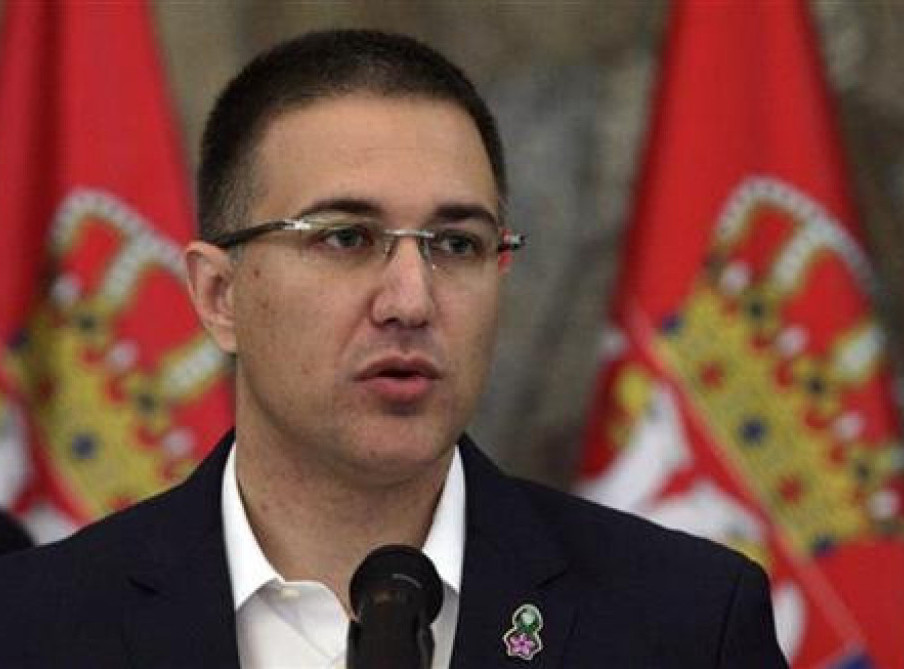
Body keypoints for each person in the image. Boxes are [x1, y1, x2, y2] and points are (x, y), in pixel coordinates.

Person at [0, 30, 787, 667]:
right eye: (346, 237)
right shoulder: (33, 626)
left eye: (456, 243)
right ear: (219, 295)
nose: (411, 301)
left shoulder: (685, 622)